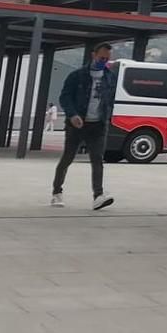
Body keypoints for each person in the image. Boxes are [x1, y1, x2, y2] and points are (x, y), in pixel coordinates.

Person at [52, 43, 116, 209]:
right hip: (77, 124)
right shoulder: (77, 76)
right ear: (93, 55)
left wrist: (107, 117)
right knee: (68, 158)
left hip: (98, 125)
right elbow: (65, 97)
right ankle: (57, 192)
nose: (104, 61)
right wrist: (72, 114)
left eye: (107, 59)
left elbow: (110, 99)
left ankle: (98, 195)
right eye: (102, 58)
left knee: (97, 159)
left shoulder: (109, 77)